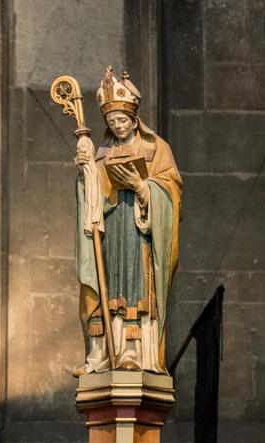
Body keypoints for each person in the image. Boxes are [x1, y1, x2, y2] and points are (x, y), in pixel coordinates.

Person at [73, 67, 183, 375]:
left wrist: (142, 187)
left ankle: (136, 354)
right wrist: (86, 172)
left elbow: (172, 191)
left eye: (123, 120)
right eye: (112, 122)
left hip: (139, 234)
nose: (118, 126)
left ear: (134, 119)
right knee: (107, 287)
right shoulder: (102, 152)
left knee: (135, 289)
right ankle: (105, 354)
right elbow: (90, 198)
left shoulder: (155, 148)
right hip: (112, 231)